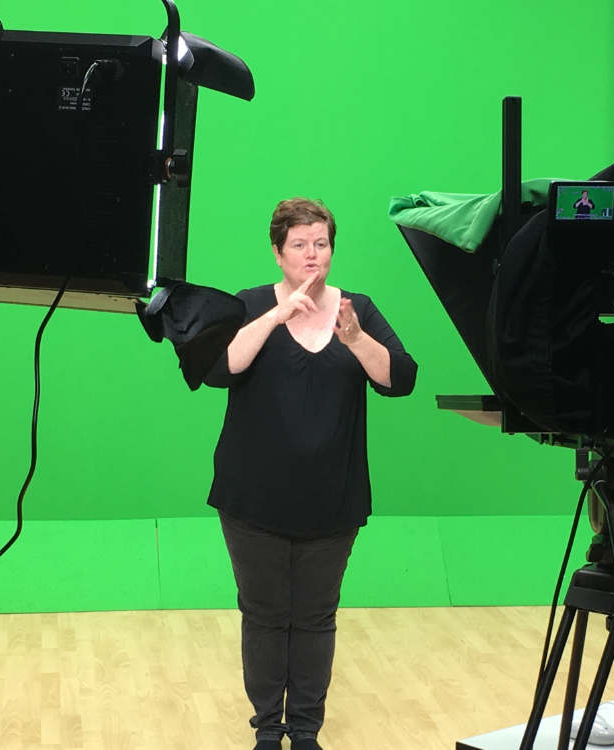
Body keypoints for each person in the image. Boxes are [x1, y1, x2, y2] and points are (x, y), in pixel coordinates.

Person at [204, 197, 418, 750]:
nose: (312, 255)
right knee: (266, 616)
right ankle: (267, 733)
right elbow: (219, 368)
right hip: (253, 499)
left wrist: (354, 338)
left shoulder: (358, 310)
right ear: (278, 253)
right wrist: (276, 316)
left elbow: (400, 379)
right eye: (299, 244)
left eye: (320, 243)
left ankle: (305, 732)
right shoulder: (250, 305)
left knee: (316, 618)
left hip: (333, 497)